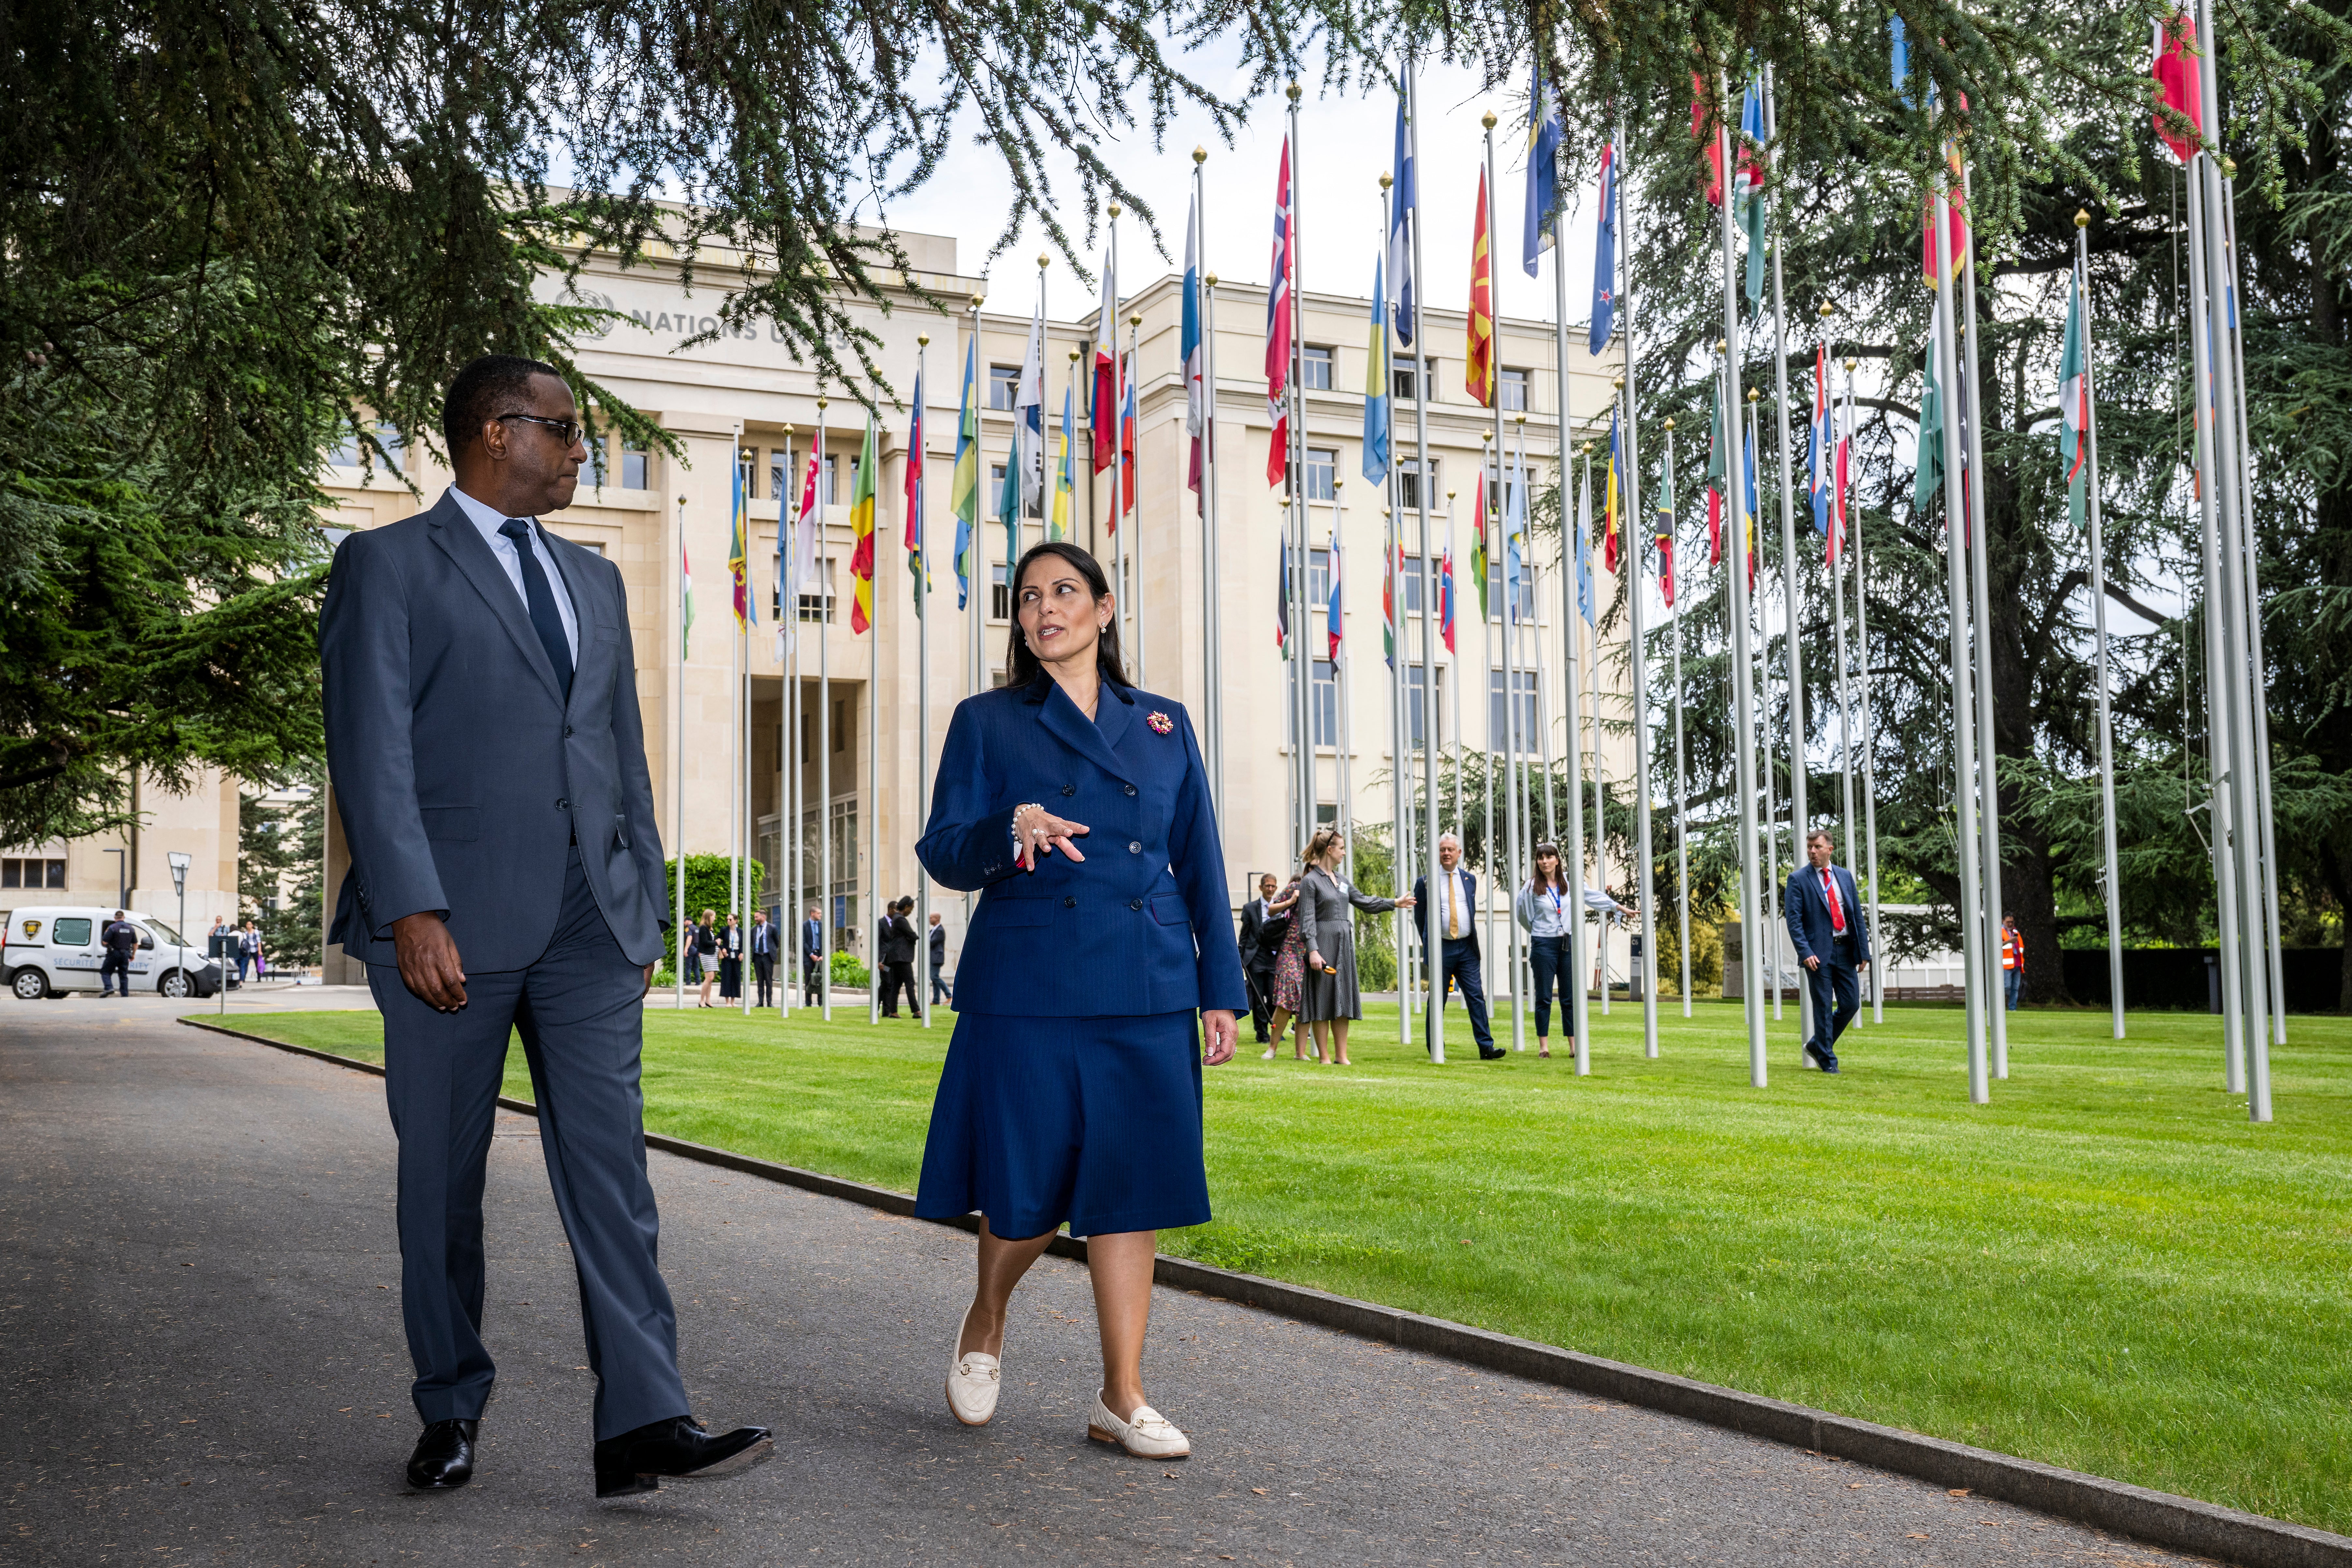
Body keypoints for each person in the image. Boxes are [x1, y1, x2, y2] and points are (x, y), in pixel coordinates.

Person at [320, 353, 767, 1498]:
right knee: (443, 1185)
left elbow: (620, 751)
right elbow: (371, 748)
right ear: (492, 433)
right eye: (565, 434)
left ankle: (642, 1422)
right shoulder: (387, 564)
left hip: (587, 928)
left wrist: (650, 902)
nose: (581, 453)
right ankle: (451, 1407)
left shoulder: (597, 578)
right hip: (448, 932)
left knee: (614, 1174)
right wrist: (410, 904)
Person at [914, 540, 1242, 1460]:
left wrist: (1218, 987)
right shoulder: (988, 723)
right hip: (1028, 984)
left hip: (1143, 982)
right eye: (1027, 598)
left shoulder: (1165, 725)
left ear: (1103, 609)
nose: (1043, 609)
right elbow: (941, 851)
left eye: (1064, 592)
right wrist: (1007, 828)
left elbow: (1200, 863)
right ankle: (985, 1318)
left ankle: (1120, 1394)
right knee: (1026, 1194)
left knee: (1129, 1190)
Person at [1291, 830, 1413, 1068]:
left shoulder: (1343, 881)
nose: (1345, 853)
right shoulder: (1310, 881)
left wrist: (1394, 903)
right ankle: (1324, 1057)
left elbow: (1365, 902)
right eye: (1342, 848)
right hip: (1323, 942)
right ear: (1330, 850)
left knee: (1342, 998)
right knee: (1322, 999)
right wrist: (1313, 950)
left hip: (1343, 945)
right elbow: (1306, 920)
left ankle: (1341, 1056)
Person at [1512, 842, 1635, 1060]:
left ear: (1557, 861)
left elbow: (1594, 897)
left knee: (1569, 997)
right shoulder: (1531, 887)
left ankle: (1574, 1046)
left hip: (1566, 944)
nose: (1545, 862)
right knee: (1544, 997)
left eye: (1549, 858)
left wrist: (1619, 908)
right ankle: (1544, 1047)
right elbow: (1522, 914)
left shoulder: (1570, 883)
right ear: (1537, 862)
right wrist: (1539, 932)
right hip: (1543, 945)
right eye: (1541, 858)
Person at [1783, 828, 1872, 1074]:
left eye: (1818, 847)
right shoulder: (1798, 879)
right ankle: (1828, 1060)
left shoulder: (1845, 877)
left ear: (1830, 849)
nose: (1812, 851)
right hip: (1817, 954)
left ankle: (1816, 1045)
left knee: (1851, 1003)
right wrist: (1805, 952)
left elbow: (1856, 916)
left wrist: (1864, 952)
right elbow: (1794, 921)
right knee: (1822, 1006)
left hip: (1845, 950)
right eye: (1810, 847)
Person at [1413, 835, 1502, 1060]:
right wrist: (1431, 941)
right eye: (1442, 849)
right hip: (1441, 948)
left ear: (1459, 853)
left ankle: (1486, 1047)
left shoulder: (1469, 880)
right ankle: (1436, 1047)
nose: (1446, 853)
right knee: (1438, 1000)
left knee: (1476, 997)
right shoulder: (1425, 882)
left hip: (1467, 949)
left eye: (1451, 849)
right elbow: (1420, 917)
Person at [1260, 878, 1307, 1060]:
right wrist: (1292, 901)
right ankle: (1272, 1048)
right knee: (1286, 997)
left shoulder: (1323, 888)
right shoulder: (1295, 888)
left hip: (1309, 949)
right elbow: (1271, 910)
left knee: (1306, 999)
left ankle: (1300, 1053)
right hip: (1289, 948)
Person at [1237, 874, 1281, 1044]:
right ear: (1261, 887)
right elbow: (1245, 935)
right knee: (1258, 996)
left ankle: (1275, 1028)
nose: (1271, 889)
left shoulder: (1280, 907)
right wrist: (1240, 957)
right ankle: (1262, 1033)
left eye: (1274, 886)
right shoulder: (1250, 908)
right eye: (1268, 886)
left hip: (1273, 958)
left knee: (1273, 996)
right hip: (1255, 957)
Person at [879, 899, 920, 1019]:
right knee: (910, 983)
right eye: (911, 909)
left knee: (896, 985)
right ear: (907, 907)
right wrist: (915, 937)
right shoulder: (900, 919)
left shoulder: (896, 919)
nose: (911, 912)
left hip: (895, 957)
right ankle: (916, 1011)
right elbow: (912, 935)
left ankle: (893, 1011)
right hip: (902, 957)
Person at [99, 910, 138, 998]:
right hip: (125, 954)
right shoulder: (131, 928)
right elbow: (135, 944)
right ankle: (125, 995)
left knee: (105, 972)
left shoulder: (112, 928)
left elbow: (105, 942)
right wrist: (133, 955)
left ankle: (109, 988)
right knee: (123, 975)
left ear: (115, 918)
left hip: (114, 953)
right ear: (123, 918)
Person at [749, 909, 776, 1007]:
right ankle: (760, 1002)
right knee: (760, 981)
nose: (755, 919)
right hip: (757, 958)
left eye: (757, 917)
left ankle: (769, 1002)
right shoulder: (754, 930)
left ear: (763, 917)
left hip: (768, 957)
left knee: (769, 980)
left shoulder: (772, 928)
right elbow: (752, 942)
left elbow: (776, 943)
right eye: (755, 917)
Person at [694, 910, 719, 1007]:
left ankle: (708, 1000)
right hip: (707, 955)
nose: (715, 918)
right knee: (709, 978)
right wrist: (717, 943)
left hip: (712, 955)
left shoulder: (709, 929)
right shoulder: (703, 928)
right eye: (713, 916)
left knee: (711, 979)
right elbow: (705, 942)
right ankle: (702, 1000)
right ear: (709, 917)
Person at [927, 912, 953, 1008]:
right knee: (934, 979)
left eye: (931, 918)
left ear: (937, 918)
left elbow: (931, 942)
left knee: (935, 977)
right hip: (932, 957)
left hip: (937, 957)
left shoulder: (940, 931)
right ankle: (936, 1000)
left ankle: (949, 996)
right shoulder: (933, 931)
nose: (929, 920)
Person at [717, 912, 743, 1003]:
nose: (728, 921)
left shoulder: (740, 931)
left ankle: (733, 1001)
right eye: (728, 920)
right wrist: (722, 949)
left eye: (730, 920)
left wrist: (742, 953)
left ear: (736, 921)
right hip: (727, 955)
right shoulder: (724, 930)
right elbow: (717, 940)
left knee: (736, 977)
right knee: (727, 977)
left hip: (736, 955)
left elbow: (742, 944)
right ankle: (727, 1001)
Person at [800, 904, 823, 1006]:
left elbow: (825, 941)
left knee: (820, 979)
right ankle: (808, 1003)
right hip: (809, 956)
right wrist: (811, 954)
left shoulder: (822, 925)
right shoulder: (804, 926)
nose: (820, 915)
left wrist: (823, 955)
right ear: (812, 913)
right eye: (819, 913)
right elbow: (803, 942)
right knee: (809, 980)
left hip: (820, 955)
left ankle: (821, 1003)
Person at [2001, 913, 2024, 1011]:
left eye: (2012, 922)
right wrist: (2009, 942)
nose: (2010, 924)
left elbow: (2021, 947)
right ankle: (2000, 1005)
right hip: (2006, 965)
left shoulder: (2016, 932)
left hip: (2017, 964)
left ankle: (2013, 1008)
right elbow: (1995, 945)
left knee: (2015, 988)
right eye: (2008, 922)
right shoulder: (2000, 932)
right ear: (2003, 921)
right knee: (2007, 987)